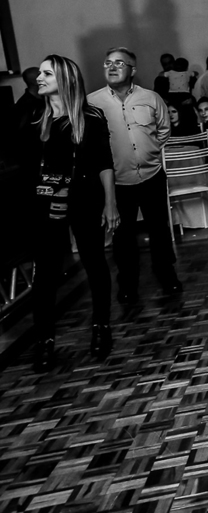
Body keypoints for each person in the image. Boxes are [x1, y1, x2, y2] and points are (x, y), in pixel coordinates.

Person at [27, 56, 118, 370]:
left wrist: (110, 203)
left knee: (94, 263)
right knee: (45, 273)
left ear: (65, 79)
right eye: (40, 73)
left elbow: (104, 161)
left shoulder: (90, 116)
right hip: (46, 203)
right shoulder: (36, 118)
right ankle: (44, 340)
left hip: (84, 199)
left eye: (47, 73)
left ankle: (101, 327)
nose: (39, 78)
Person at [88, 47, 181, 305]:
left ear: (133, 70)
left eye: (120, 63)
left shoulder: (151, 98)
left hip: (152, 175)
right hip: (117, 182)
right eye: (108, 63)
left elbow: (164, 129)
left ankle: (167, 274)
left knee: (159, 230)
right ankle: (128, 284)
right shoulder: (92, 103)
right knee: (122, 236)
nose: (112, 67)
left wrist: (148, 151)